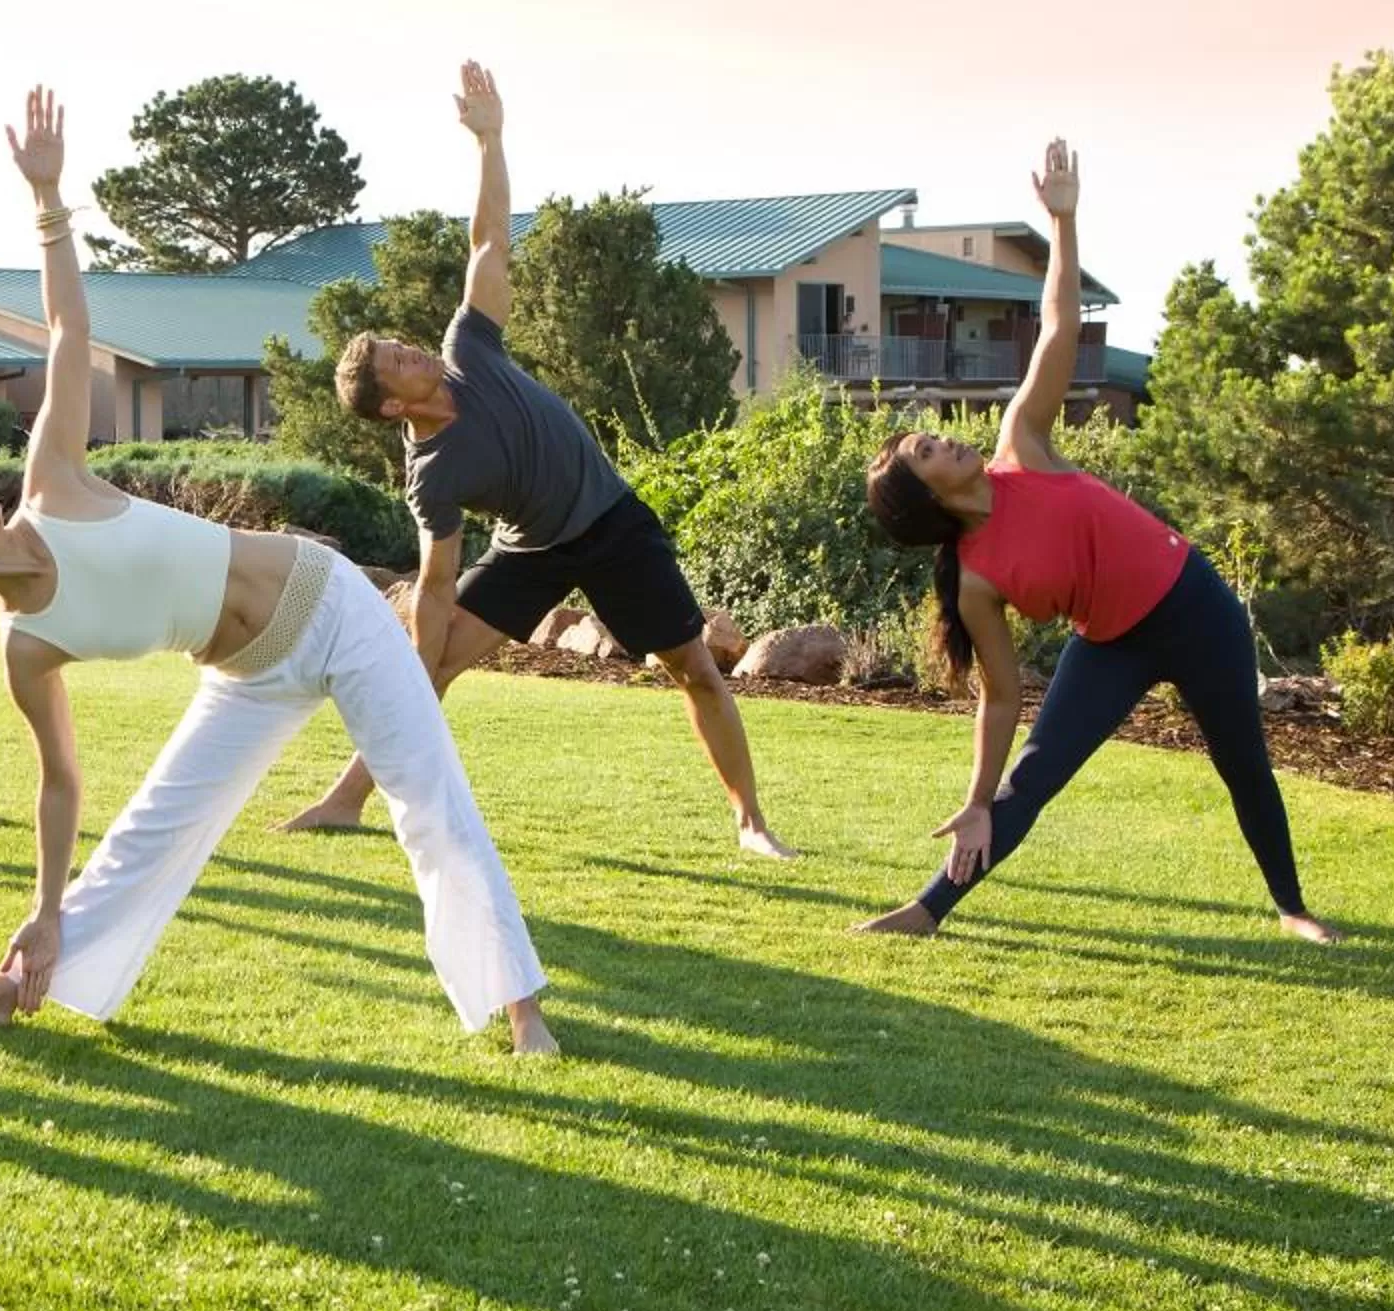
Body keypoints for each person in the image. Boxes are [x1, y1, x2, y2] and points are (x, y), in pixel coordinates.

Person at [0, 87, 557, 1052]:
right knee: (148, 837)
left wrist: (49, 201)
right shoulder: (25, 646)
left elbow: (66, 334)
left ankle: (521, 1013)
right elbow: (59, 783)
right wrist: (44, 905)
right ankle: (13, 983)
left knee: (427, 801)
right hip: (245, 676)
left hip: (331, 606)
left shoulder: (51, 483)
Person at [281, 61, 793, 862]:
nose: (411, 349)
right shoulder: (432, 474)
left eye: (400, 343)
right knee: (434, 666)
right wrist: (422, 663)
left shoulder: (469, 349)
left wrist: (490, 139)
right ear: (392, 406)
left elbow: (489, 240)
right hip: (532, 549)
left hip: (612, 523)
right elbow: (438, 583)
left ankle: (751, 822)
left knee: (694, 667)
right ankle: (345, 800)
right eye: (397, 359)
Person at [855, 139, 1338, 944]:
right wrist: (975, 798)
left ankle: (1293, 910)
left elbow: (1058, 326)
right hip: (1112, 643)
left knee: (1242, 763)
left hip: (1195, 606)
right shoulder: (974, 579)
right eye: (927, 451)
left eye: (933, 436)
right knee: (1030, 781)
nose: (945, 440)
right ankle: (926, 911)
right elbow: (1000, 697)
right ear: (924, 496)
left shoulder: (1022, 445)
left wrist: (1063, 222)